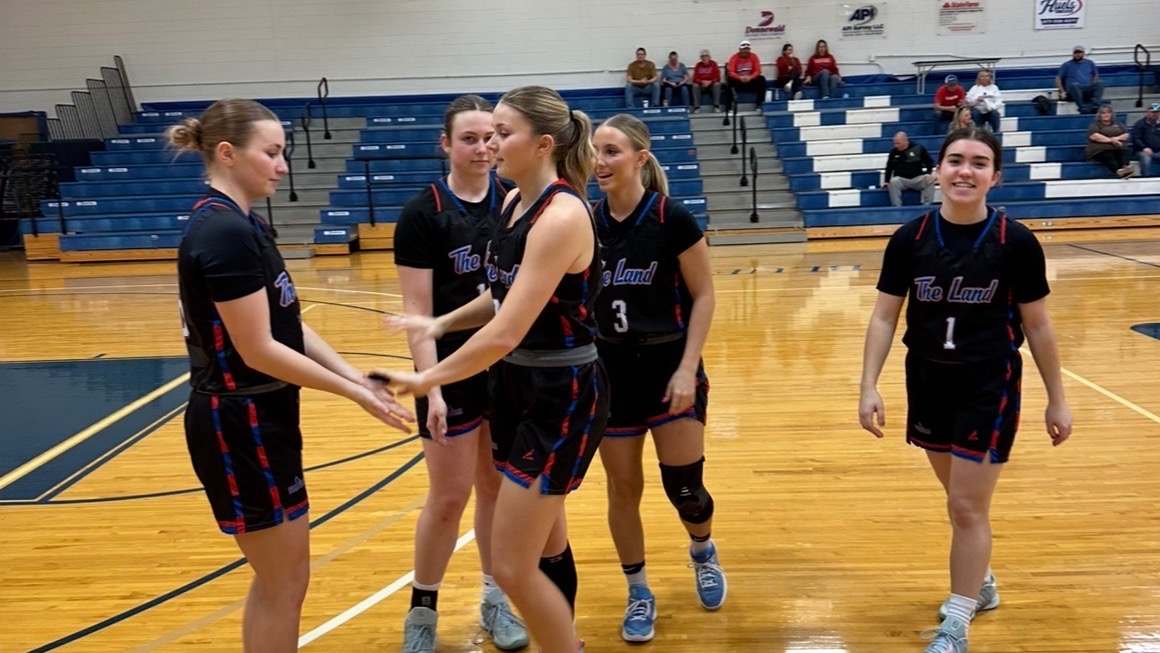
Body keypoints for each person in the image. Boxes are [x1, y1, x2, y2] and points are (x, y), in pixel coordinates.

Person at [169, 98, 414, 653]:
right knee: (285, 581)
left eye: (285, 153)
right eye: (272, 153)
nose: (283, 166)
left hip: (263, 414)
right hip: (240, 420)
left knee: (282, 580)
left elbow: (288, 326)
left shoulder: (243, 223)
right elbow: (257, 350)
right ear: (227, 154)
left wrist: (357, 376)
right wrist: (353, 394)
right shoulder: (224, 232)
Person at [378, 85, 607, 653]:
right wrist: (437, 324)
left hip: (561, 390)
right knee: (547, 544)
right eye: (484, 135)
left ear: (543, 144)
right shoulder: (511, 203)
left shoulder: (561, 215)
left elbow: (504, 333)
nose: (492, 145)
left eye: (503, 134)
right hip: (516, 386)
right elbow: (500, 298)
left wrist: (425, 379)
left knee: (510, 564)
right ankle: (565, 637)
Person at [859, 128, 1073, 653]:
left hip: (989, 381)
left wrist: (1057, 396)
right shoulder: (909, 238)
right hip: (927, 377)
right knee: (959, 499)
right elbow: (885, 317)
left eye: (979, 163)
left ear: (994, 177)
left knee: (965, 507)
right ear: (938, 170)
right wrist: (868, 385)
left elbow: (1039, 326)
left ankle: (956, 621)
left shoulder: (1015, 242)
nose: (964, 171)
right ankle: (982, 582)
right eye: (955, 160)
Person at [392, 95, 528, 652]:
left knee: (496, 487)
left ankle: (495, 600)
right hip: (447, 371)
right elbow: (418, 316)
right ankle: (422, 612)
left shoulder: (515, 202)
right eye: (468, 139)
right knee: (448, 497)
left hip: (506, 370)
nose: (482, 148)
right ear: (446, 145)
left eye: (490, 137)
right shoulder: (422, 214)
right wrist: (434, 388)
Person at [590, 114, 723, 643]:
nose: (600, 161)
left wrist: (689, 367)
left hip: (670, 365)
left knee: (686, 489)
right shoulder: (585, 221)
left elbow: (706, 295)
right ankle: (639, 591)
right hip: (611, 371)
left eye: (612, 151)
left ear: (640, 158)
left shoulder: (674, 219)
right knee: (622, 488)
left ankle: (702, 549)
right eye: (596, 151)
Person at [883, 131, 936, 207]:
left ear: (905, 141)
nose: (896, 145)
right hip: (902, 180)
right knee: (893, 182)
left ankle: (927, 206)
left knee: (930, 180)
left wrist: (928, 172)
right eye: (895, 143)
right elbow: (889, 167)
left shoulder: (918, 148)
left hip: (917, 179)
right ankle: (897, 206)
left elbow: (929, 162)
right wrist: (886, 181)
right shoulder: (893, 152)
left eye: (898, 143)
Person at [1085, 104, 1134, 178]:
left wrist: (1116, 139)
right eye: (1103, 113)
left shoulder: (1118, 124)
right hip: (1100, 150)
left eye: (1108, 112)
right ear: (1100, 115)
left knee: (1124, 152)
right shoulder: (1095, 125)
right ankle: (1119, 171)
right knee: (1108, 155)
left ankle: (1125, 169)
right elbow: (1095, 136)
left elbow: (1126, 135)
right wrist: (1112, 140)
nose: (1106, 115)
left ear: (1112, 114)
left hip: (1117, 148)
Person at [1055, 45, 1103, 114]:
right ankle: (1082, 107)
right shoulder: (1067, 65)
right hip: (1073, 91)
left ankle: (1095, 106)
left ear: (1083, 53)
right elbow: (1058, 78)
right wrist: (1062, 91)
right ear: (1073, 54)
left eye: (1080, 53)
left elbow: (1095, 75)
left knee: (1100, 83)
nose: (1078, 54)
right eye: (1076, 53)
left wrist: (1093, 82)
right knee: (1075, 85)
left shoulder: (1090, 63)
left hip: (1086, 89)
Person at [726, 40, 766, 111]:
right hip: (739, 81)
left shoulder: (754, 56)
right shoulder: (734, 57)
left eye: (748, 50)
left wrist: (750, 77)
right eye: (744, 50)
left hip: (750, 81)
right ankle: (730, 107)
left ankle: (759, 105)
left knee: (761, 79)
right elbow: (731, 72)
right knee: (729, 80)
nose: (746, 52)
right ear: (740, 50)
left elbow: (758, 70)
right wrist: (739, 77)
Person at [1130, 102, 1160, 177]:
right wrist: (1144, 148)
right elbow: (1136, 139)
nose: (1155, 114)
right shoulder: (1139, 124)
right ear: (1147, 112)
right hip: (1142, 151)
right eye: (1153, 112)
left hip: (1158, 151)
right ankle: (1145, 178)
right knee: (1146, 158)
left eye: (1157, 112)